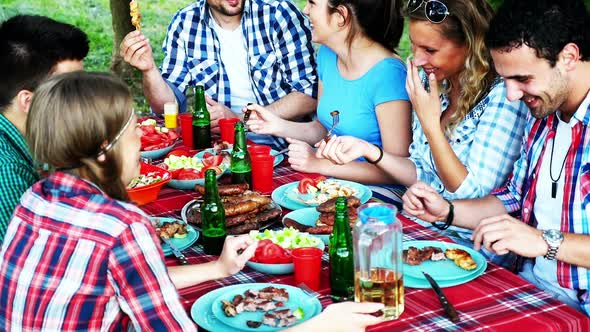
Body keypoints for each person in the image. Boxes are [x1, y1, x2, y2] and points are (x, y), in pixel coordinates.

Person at [0, 71, 384, 330]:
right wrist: (316, 326)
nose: (140, 143)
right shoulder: (121, 226)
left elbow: (127, 280)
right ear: (105, 149)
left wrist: (216, 269)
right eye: (135, 131)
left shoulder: (37, 198)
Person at [402, 0, 590, 315]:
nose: (512, 95)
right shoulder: (542, 114)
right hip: (531, 288)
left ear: (569, 57)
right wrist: (446, 212)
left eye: (523, 79)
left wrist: (544, 242)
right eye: (506, 80)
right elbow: (513, 197)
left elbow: (536, 239)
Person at [316, 0, 529, 258]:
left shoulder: (504, 97)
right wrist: (371, 151)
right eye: (415, 45)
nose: (417, 59)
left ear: (471, 44)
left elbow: (470, 192)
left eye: (430, 49)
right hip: (422, 228)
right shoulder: (436, 86)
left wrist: (431, 126)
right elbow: (421, 171)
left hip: (469, 245)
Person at [247, 0, 412, 184]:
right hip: (333, 181)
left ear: (340, 16)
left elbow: (397, 169)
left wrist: (320, 164)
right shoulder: (328, 54)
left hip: (378, 194)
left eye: (312, 3)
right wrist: (276, 125)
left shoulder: (388, 74)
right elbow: (324, 129)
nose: (305, 10)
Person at [120, 0, 317, 147]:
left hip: (285, 148)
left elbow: (309, 95)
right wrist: (149, 70)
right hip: (217, 149)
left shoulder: (279, 14)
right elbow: (167, 107)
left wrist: (239, 119)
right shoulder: (185, 22)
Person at [0, 14, 89, 242]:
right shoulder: (8, 172)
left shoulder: (31, 133)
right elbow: (33, 264)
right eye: (72, 88)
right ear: (28, 102)